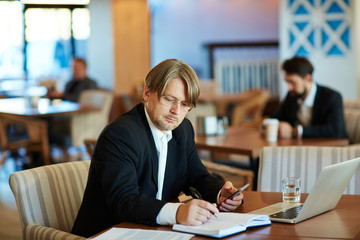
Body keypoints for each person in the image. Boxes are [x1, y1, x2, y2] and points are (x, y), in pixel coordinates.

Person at [71, 59, 244, 237]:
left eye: (184, 104)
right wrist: (177, 213)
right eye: (170, 99)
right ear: (147, 93)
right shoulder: (120, 135)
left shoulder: (182, 129)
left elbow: (197, 176)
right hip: (109, 233)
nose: (176, 111)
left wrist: (220, 194)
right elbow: (123, 201)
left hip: (154, 231)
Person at [271, 56, 347, 139]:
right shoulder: (292, 96)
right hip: (303, 147)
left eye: (292, 82)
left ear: (307, 78)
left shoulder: (332, 97)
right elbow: (276, 117)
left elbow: (335, 130)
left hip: (332, 148)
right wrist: (267, 124)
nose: (289, 88)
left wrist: (295, 131)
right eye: (287, 82)